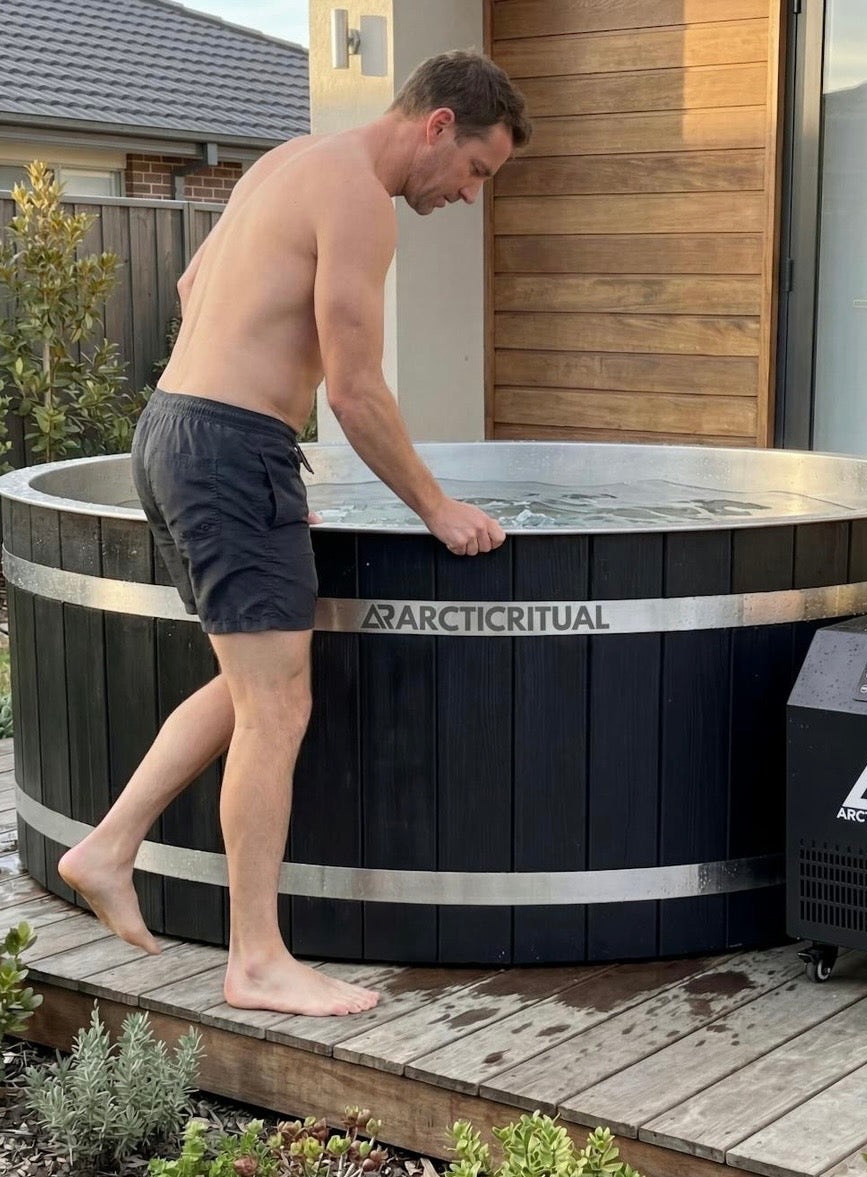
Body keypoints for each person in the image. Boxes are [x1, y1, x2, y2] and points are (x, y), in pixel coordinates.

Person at [58, 50, 532, 1017]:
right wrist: (437, 509)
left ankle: (106, 847)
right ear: (438, 126)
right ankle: (257, 960)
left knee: (250, 686)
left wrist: (247, 430)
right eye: (478, 171)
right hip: (226, 451)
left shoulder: (287, 162)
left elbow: (197, 288)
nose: (470, 196)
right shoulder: (357, 198)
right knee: (278, 707)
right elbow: (356, 392)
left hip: (177, 430)